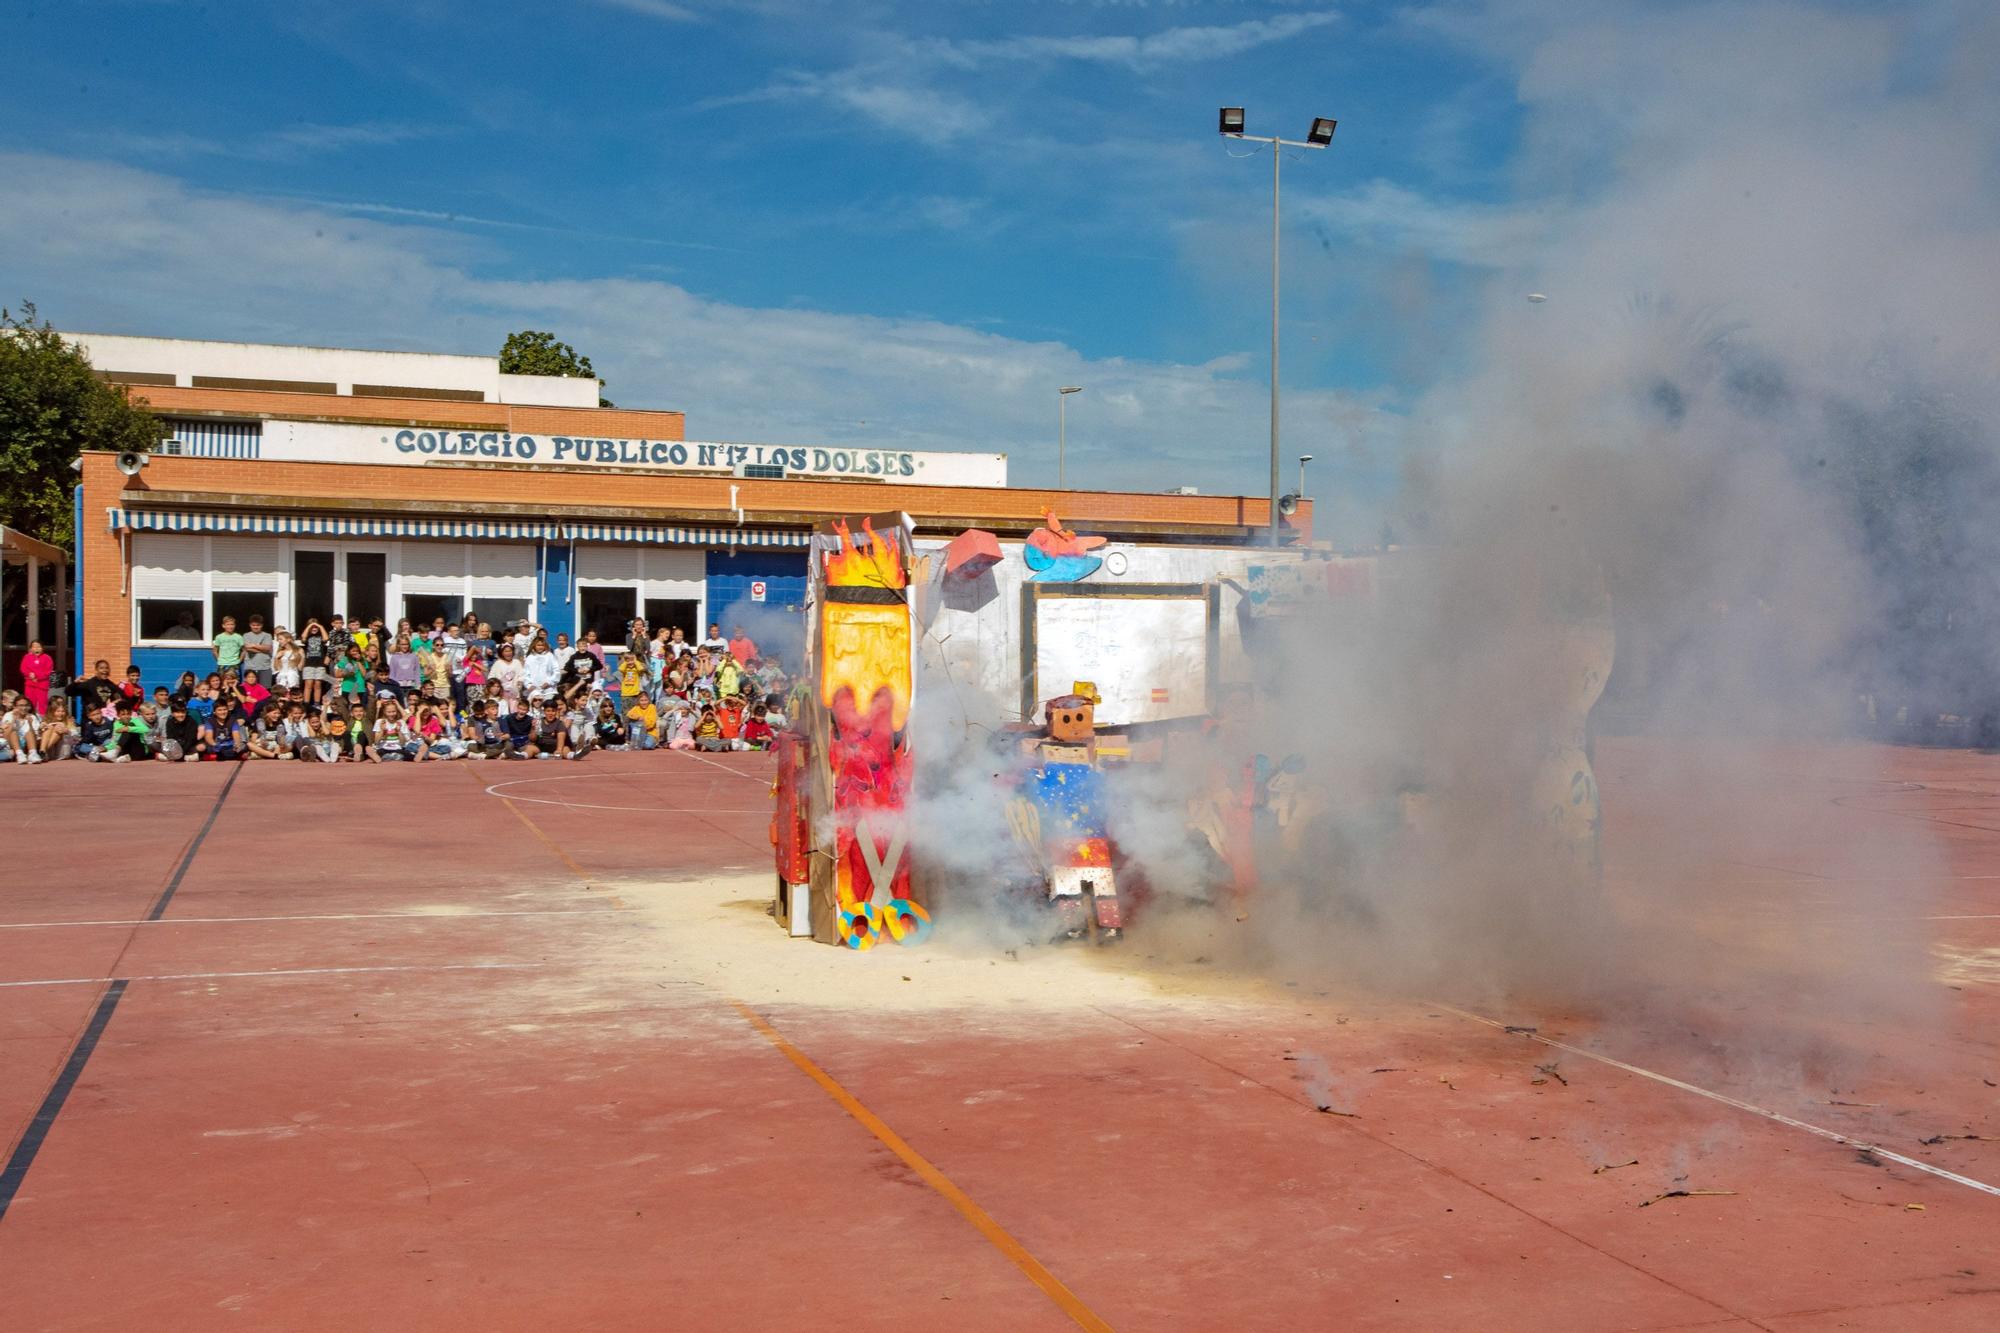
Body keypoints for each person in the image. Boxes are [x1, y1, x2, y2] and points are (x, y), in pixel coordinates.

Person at [157, 698, 207, 762]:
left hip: (189, 746)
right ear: (172, 714)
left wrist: (182, 753)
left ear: (186, 712)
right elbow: (170, 738)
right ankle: (186, 758)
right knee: (163, 747)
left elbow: (191, 739)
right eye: (177, 712)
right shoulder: (169, 722)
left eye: (183, 712)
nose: (180, 715)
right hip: (176, 746)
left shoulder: (191, 721)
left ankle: (179, 757)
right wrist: (175, 750)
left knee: (202, 747)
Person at [3, 696, 43, 763]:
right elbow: (5, 736)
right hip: (11, 743)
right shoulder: (9, 715)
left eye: (26, 705)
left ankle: (32, 754)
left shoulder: (32, 716)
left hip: (28, 744)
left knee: (29, 731)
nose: (24, 708)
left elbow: (36, 737)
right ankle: (20, 754)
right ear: (15, 707)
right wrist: (14, 720)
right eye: (21, 706)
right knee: (13, 731)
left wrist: (30, 724)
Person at [299, 617, 329, 706]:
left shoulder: (320, 637)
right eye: (312, 627)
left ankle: (316, 703)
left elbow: (326, 638)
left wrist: (320, 626)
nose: (314, 629)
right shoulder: (307, 638)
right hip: (309, 664)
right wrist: (310, 625)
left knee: (318, 684)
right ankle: (306, 703)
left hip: (319, 664)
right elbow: (303, 637)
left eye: (316, 627)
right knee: (308, 684)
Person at [19, 640, 54, 715]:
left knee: (43, 704)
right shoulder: (27, 657)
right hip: (30, 684)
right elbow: (23, 668)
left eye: (38, 647)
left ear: (42, 648)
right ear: (31, 648)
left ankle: (43, 720)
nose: (36, 649)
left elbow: (48, 671)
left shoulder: (47, 658)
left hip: (42, 685)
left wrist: (37, 676)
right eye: (34, 647)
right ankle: (30, 719)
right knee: (30, 703)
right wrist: (29, 674)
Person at [489, 641, 524, 710]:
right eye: (506, 651)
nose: (508, 653)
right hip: (501, 694)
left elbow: (522, 675)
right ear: (502, 653)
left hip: (514, 694)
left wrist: (520, 682)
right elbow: (491, 677)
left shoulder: (517, 662)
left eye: (510, 651)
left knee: (514, 711)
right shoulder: (498, 663)